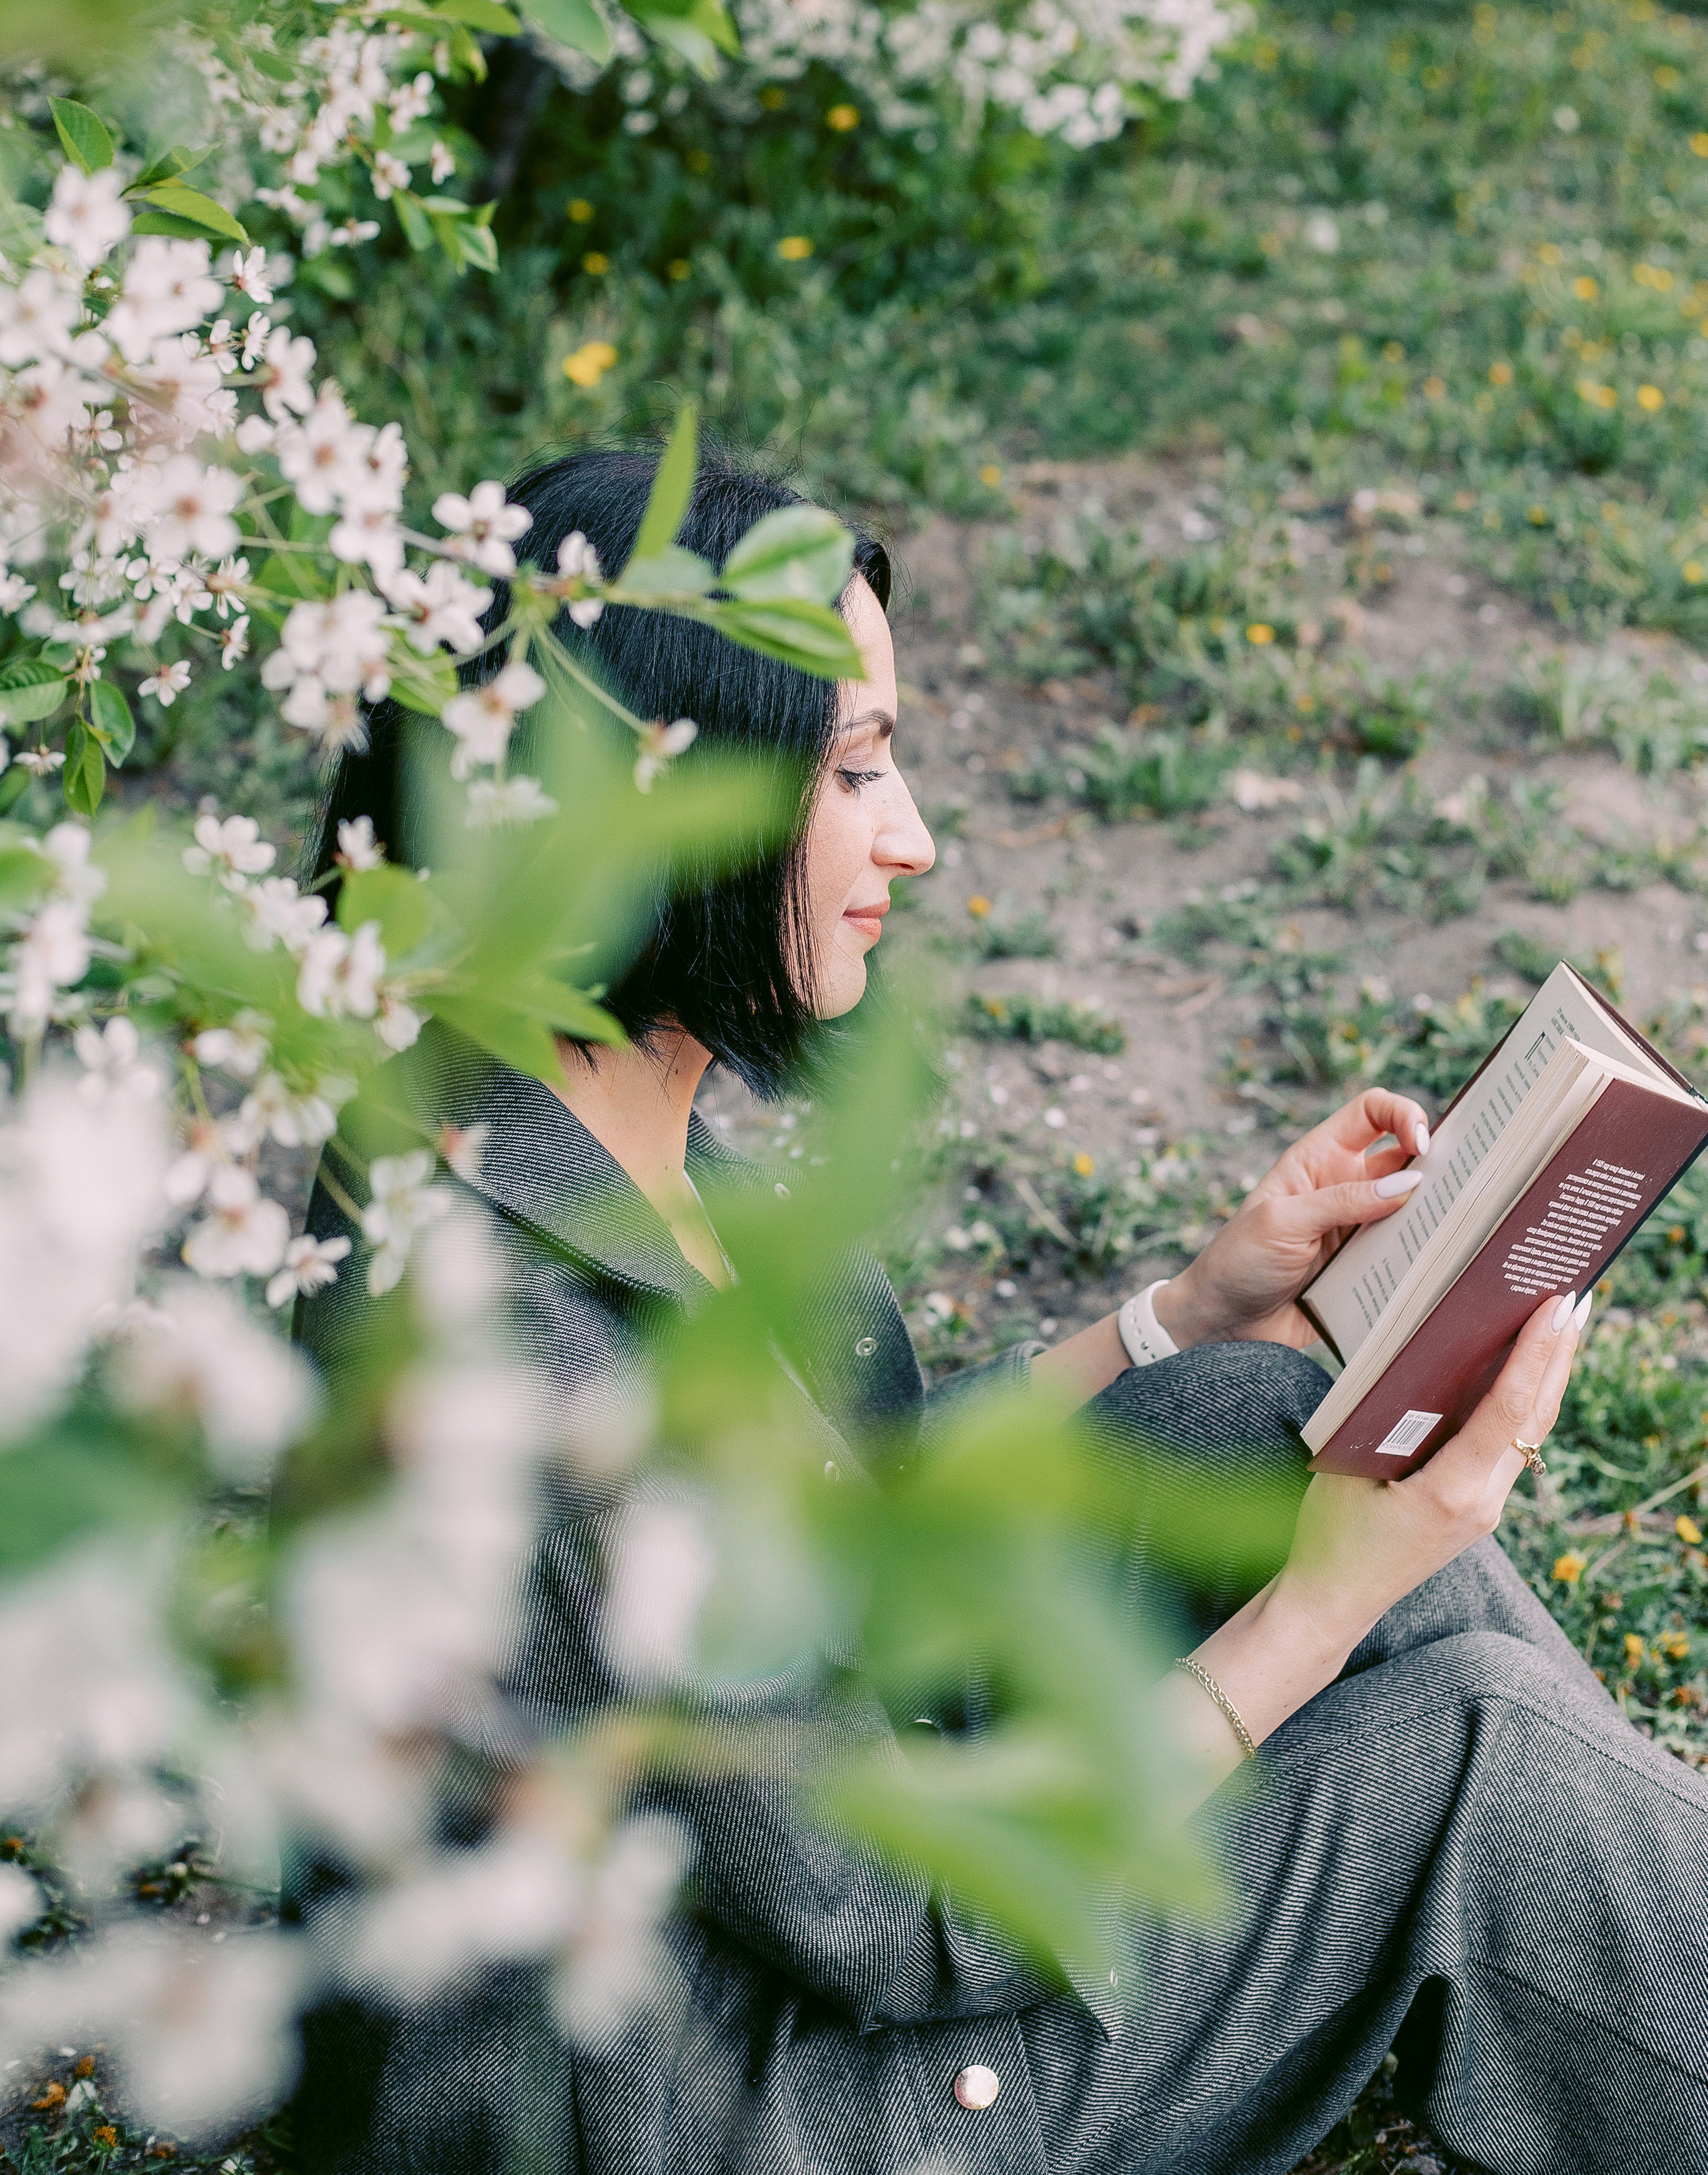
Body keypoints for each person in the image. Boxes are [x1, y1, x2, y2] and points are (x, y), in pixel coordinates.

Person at [291, 452, 1708, 2175]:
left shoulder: (576, 1124)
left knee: (1246, 1423)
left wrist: (1178, 1312)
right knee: (1477, 1760)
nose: (915, 834)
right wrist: (1322, 1614)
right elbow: (900, 1920)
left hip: (765, 1926)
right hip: (749, 2108)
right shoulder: (518, 1342)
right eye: (859, 770)